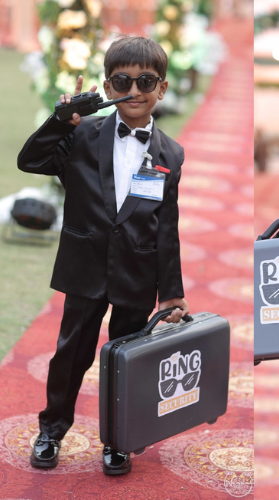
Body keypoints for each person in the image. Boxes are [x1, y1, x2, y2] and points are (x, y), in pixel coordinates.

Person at [18, 36, 189, 475]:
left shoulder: (171, 153)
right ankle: (51, 431)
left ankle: (119, 440)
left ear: (162, 88)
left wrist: (171, 293)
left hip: (138, 270)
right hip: (85, 265)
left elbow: (166, 225)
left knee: (126, 358)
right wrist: (60, 120)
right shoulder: (82, 135)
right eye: (122, 80)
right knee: (70, 353)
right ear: (108, 88)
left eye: (145, 80)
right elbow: (30, 160)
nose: (134, 89)